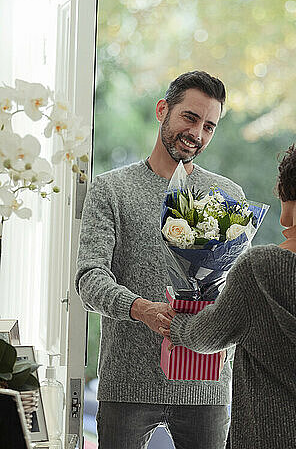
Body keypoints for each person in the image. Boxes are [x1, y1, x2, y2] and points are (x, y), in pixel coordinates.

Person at [158, 136, 296, 449]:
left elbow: (206, 337)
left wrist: (176, 324)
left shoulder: (260, 266)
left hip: (273, 436)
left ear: (290, 189)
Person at [75, 71, 244, 449]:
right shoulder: (111, 189)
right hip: (128, 382)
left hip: (205, 384)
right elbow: (89, 277)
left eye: (209, 126)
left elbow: (236, 290)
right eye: (189, 117)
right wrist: (140, 308)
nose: (197, 134)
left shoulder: (228, 194)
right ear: (162, 109)